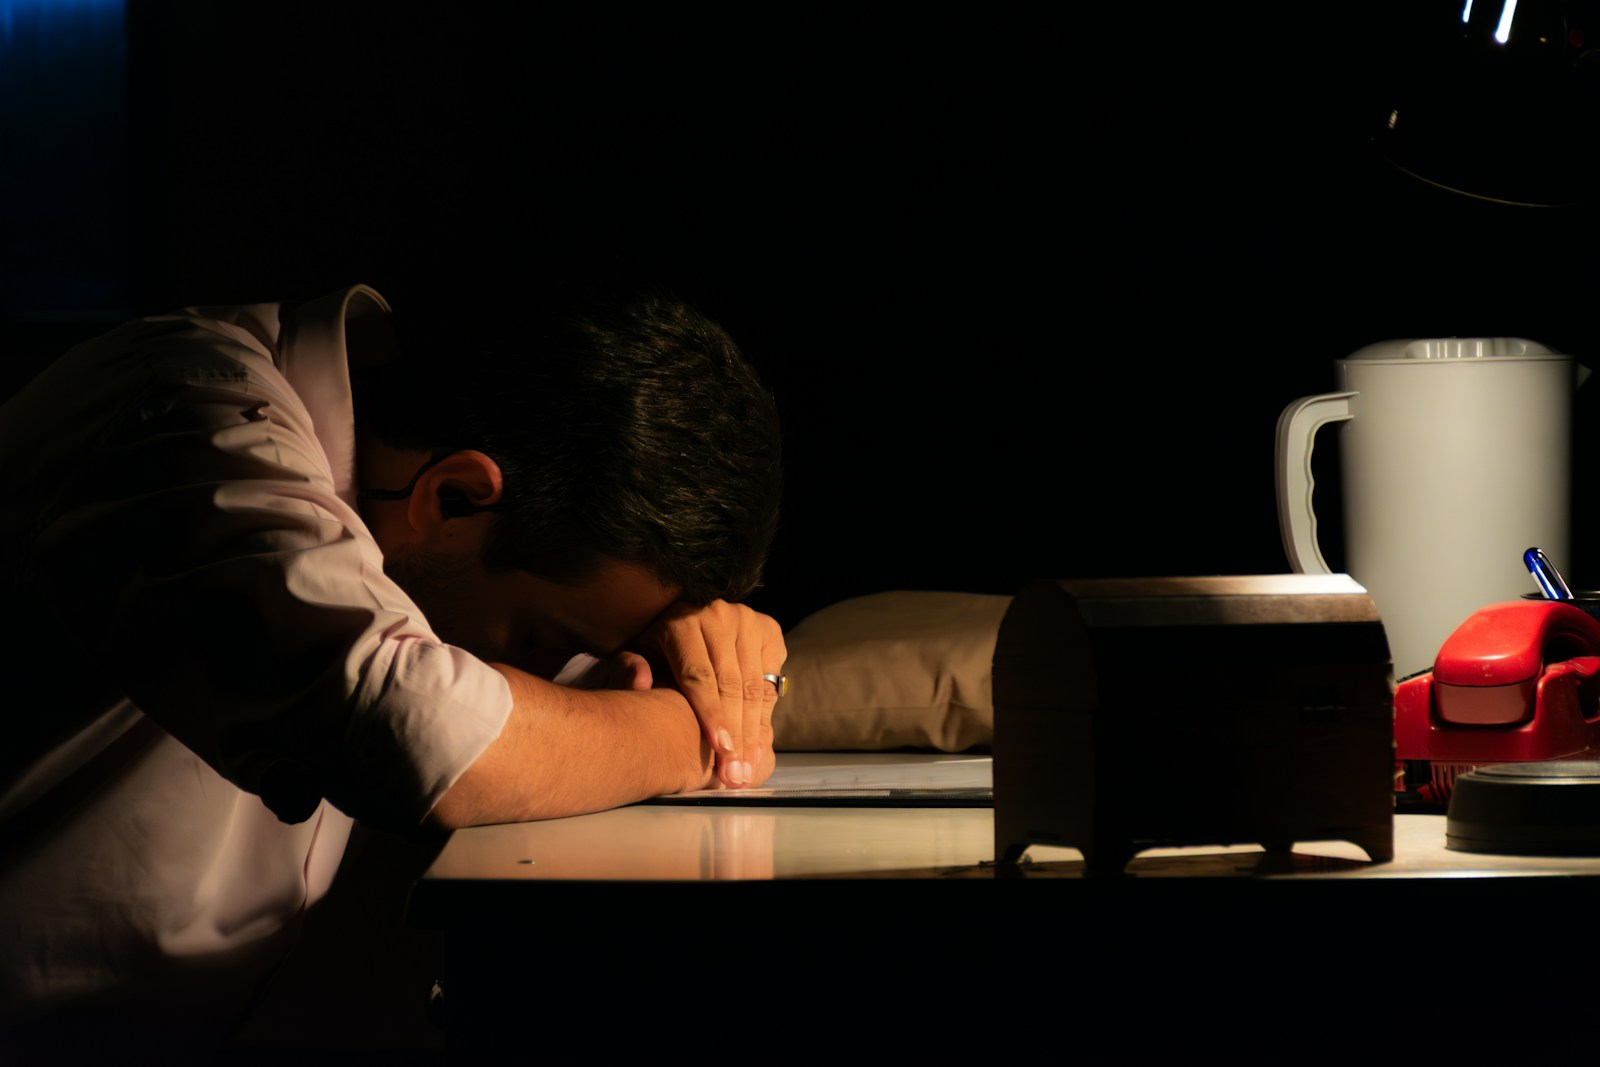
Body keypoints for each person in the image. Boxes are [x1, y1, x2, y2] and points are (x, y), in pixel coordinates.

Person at [0, 281, 786, 1058]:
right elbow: (418, 732)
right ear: (452, 498)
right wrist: (704, 731)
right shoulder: (179, 411)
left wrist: (714, 664)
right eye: (541, 634)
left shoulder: (408, 517)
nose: (553, 672)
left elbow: (544, 720)